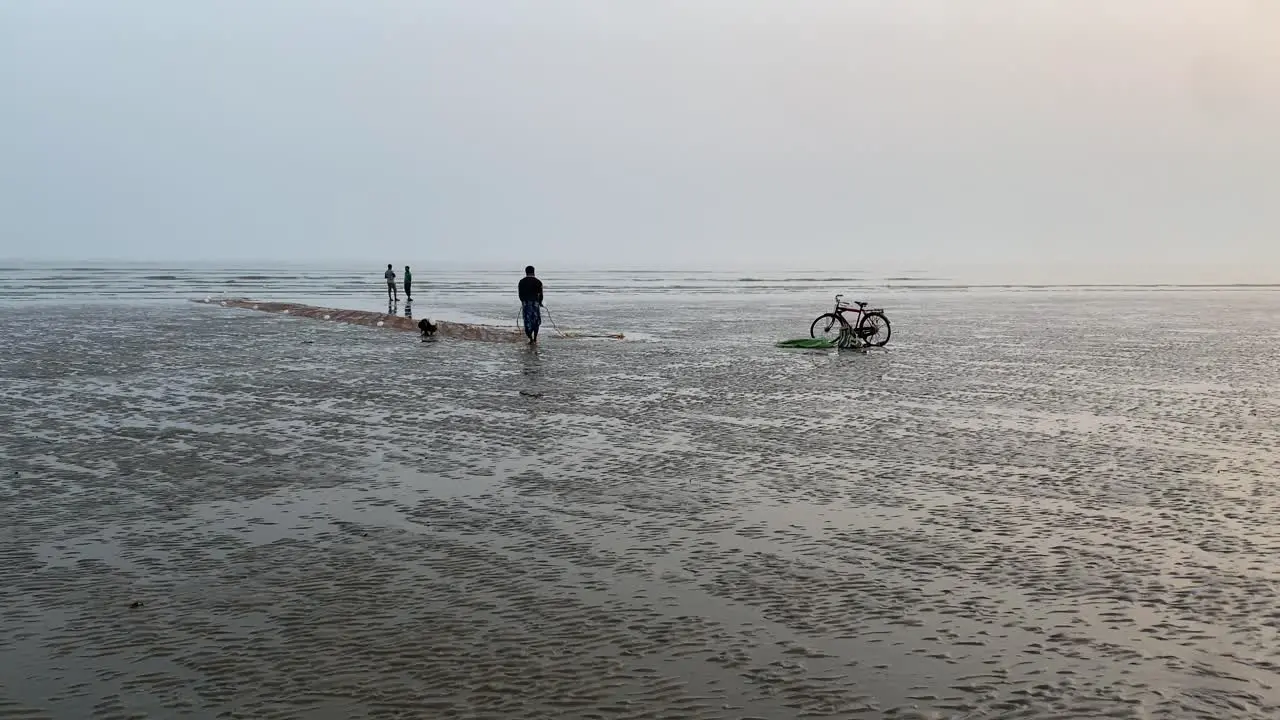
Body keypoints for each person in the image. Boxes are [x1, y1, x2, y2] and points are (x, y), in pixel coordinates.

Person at [517, 265, 544, 343]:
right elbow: (541, 294)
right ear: (534, 272)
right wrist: (540, 302)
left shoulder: (521, 282)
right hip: (535, 303)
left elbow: (520, 294)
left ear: (526, 272)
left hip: (526, 303)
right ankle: (535, 338)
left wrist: (523, 301)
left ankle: (531, 339)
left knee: (527, 321)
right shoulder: (538, 282)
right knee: (536, 321)